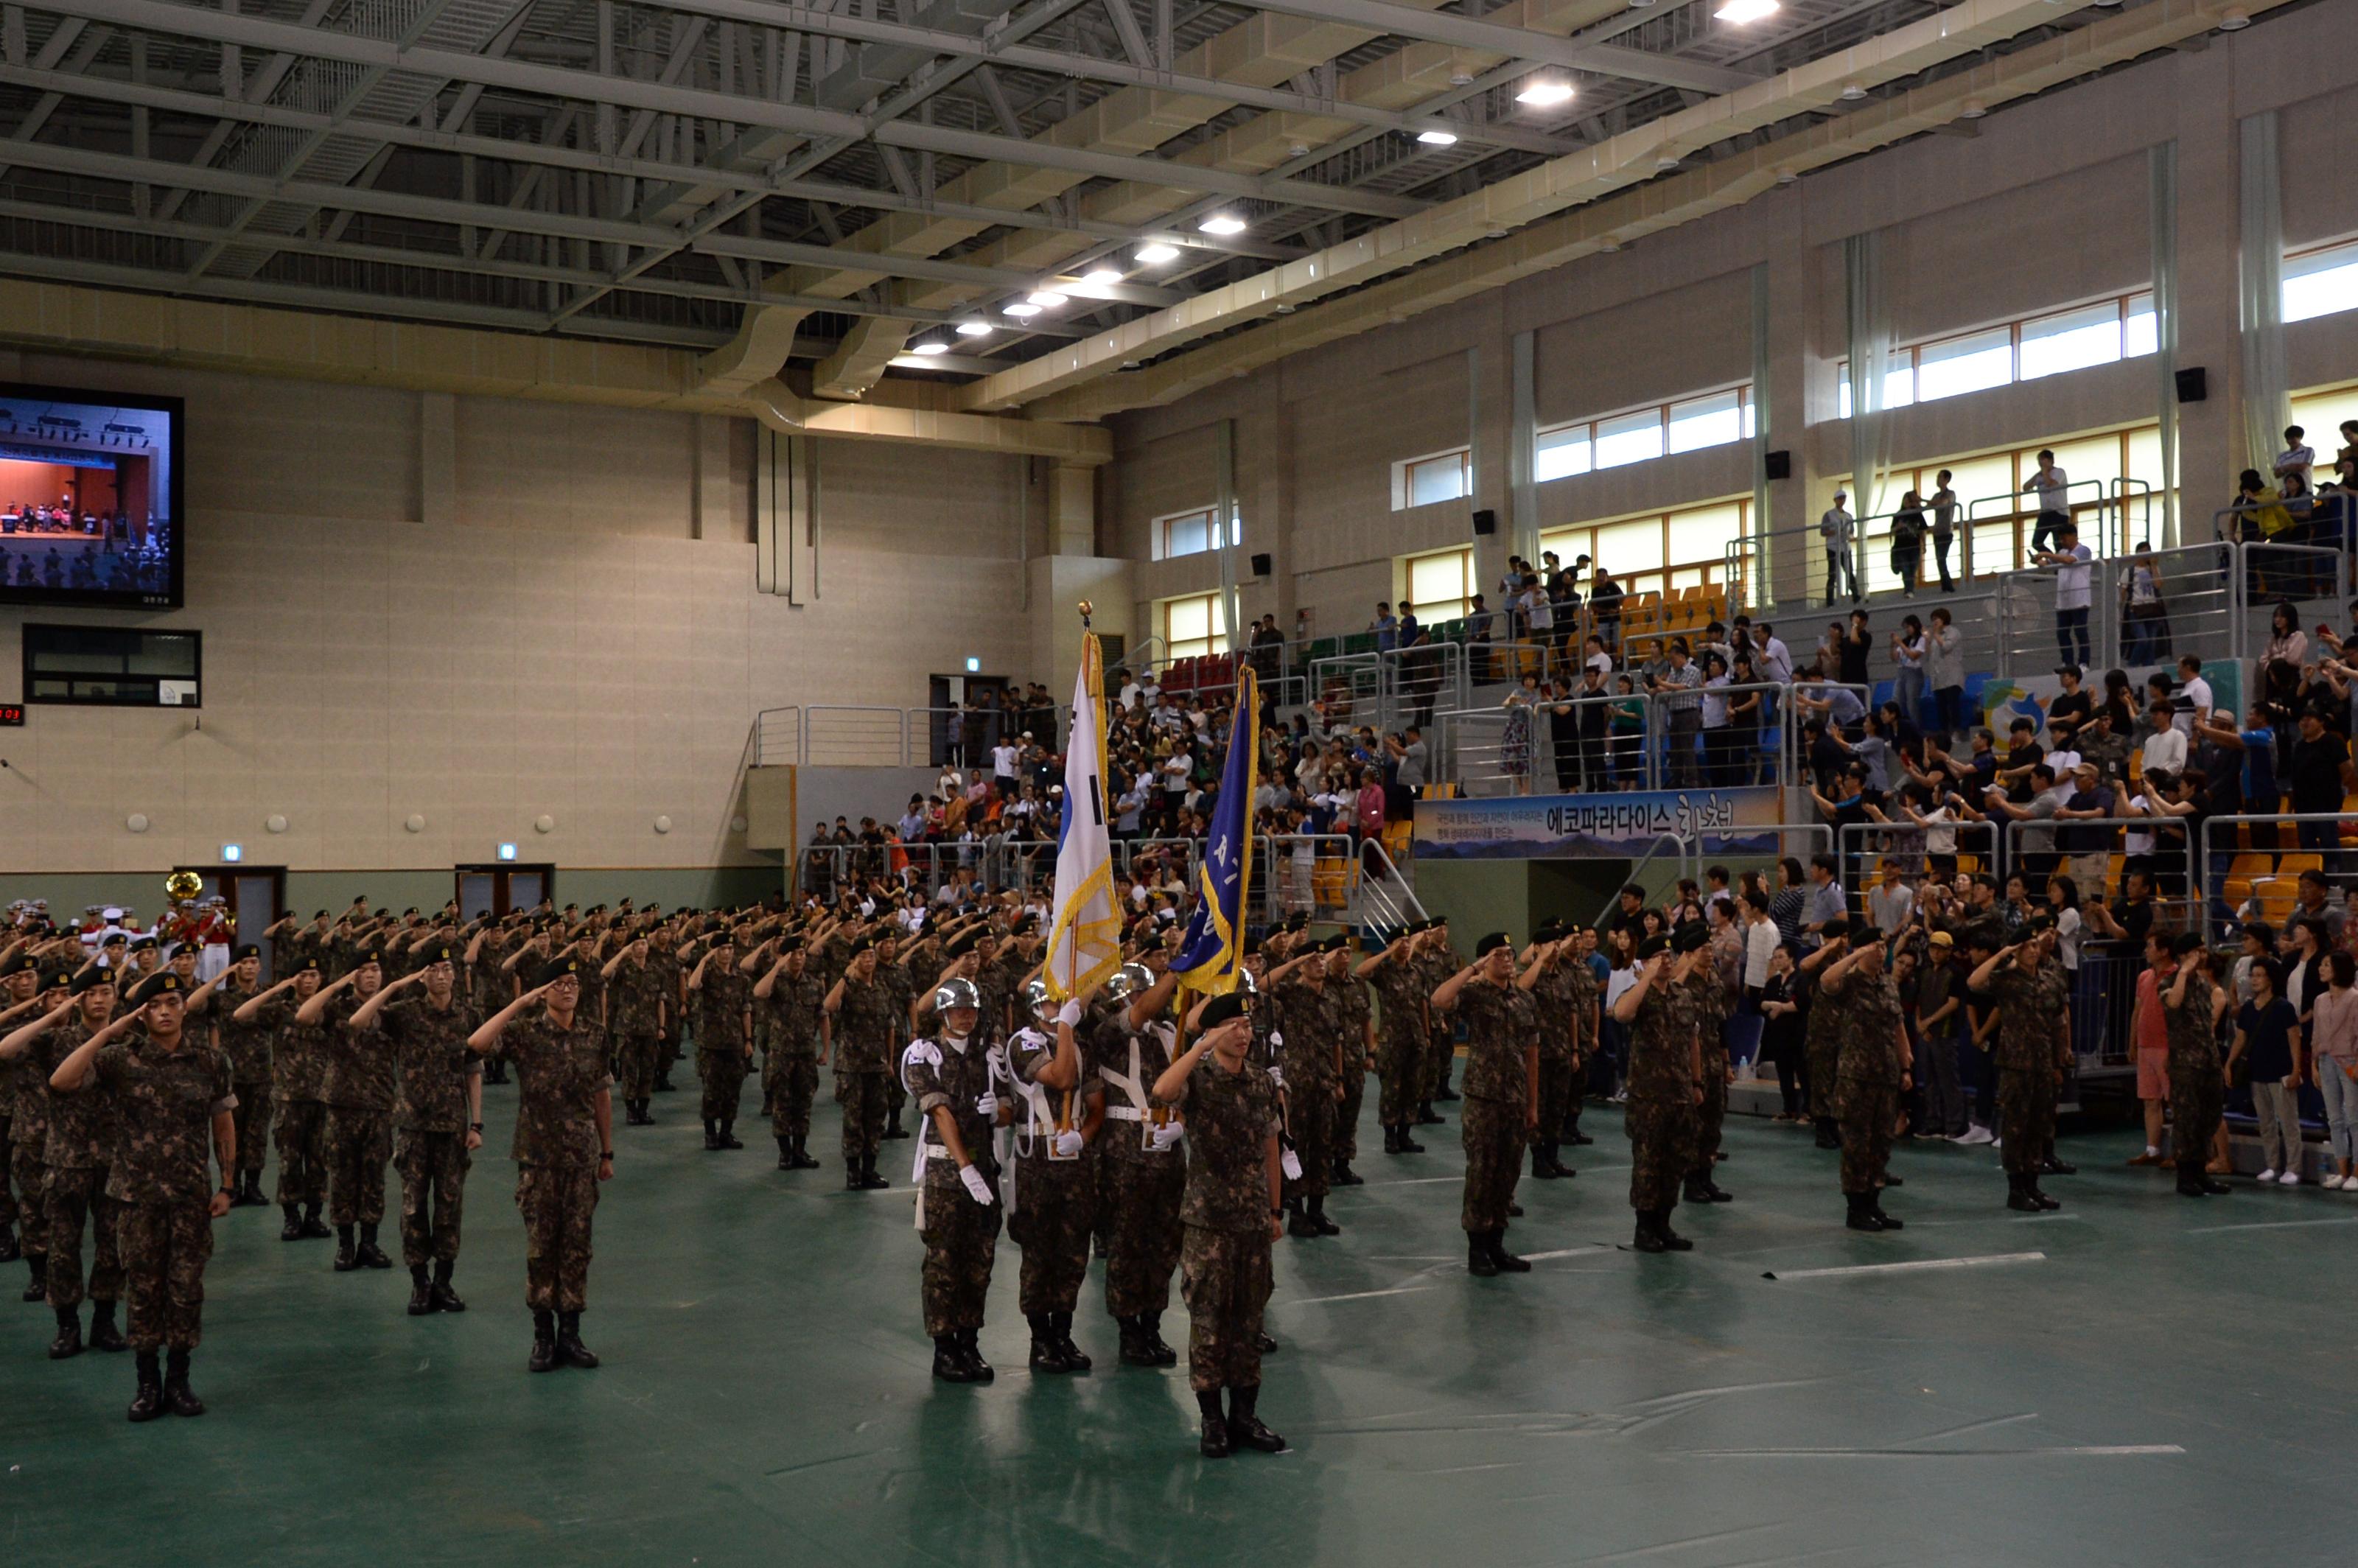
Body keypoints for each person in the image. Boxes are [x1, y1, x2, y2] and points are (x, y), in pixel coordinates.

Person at [44, 969, 234, 1422]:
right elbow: (62, 1081)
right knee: (144, 1292)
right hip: (135, 1198)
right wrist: (110, 1032)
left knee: (186, 1291)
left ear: (185, 1008)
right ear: (141, 1012)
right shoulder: (120, 1060)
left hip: (190, 1196)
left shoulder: (211, 1061)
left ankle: (180, 1381)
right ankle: (147, 1383)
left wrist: (228, 1184)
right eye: (153, 1006)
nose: (164, 1012)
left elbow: (223, 1122)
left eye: (172, 1003)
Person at [1150, 990, 1284, 1459]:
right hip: (1208, 1222)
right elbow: (1162, 1093)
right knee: (1209, 1322)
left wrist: (1274, 1210)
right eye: (1234, 1028)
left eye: (1248, 1027)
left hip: (1251, 1220)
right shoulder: (1200, 1079)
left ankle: (1244, 1416)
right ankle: (1212, 1420)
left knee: (1250, 1322)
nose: (1244, 1035)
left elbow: (1272, 1144)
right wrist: (1197, 1048)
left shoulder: (1261, 1083)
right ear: (1216, 1033)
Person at [467, 955, 615, 1373]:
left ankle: (571, 1333)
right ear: (543, 992)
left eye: (573, 983)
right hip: (538, 1158)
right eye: (558, 984)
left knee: (577, 1247)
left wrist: (607, 1152)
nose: (567, 989)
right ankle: (543, 1336)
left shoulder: (594, 1034)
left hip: (581, 1157)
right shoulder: (525, 1033)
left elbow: (602, 1095)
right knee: (540, 1248)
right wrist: (520, 1003)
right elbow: (476, 1045)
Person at [0, 967, 127, 1357]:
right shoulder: (57, 1040)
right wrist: (50, 1015)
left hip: (114, 1160)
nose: (99, 999)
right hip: (66, 1158)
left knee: (112, 1246)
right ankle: (67, 1325)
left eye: (106, 991)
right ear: (79, 1000)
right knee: (64, 1246)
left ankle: (104, 1322)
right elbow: (4, 1050)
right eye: (90, 993)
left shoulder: (127, 1041)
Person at [352, 943, 483, 1315]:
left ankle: (444, 1280)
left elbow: (473, 1071)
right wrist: (393, 988)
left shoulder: (467, 1016)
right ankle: (420, 1282)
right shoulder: (405, 1014)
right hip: (413, 1127)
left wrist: (477, 1123)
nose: (440, 976)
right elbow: (359, 1023)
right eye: (432, 970)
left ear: (455, 975)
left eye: (446, 969)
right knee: (413, 1207)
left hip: (453, 1127)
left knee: (449, 1206)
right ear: (421, 977)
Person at [898, 977, 1004, 1382]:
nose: (966, 1015)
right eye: (959, 1009)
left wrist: (1001, 1111)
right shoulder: (924, 1056)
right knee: (943, 1264)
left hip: (985, 1170)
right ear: (942, 1013)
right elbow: (939, 1113)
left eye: (972, 1009)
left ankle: (969, 1342)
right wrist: (965, 1168)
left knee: (980, 1262)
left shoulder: (988, 1055)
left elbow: (1008, 1106)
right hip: (947, 1175)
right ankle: (944, 1349)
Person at [1004, 981, 1102, 1373]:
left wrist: (1084, 1134)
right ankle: (1039, 1338)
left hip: (1073, 1156)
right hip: (1036, 1162)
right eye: (1050, 1000)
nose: (1058, 1005)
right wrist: (1065, 1028)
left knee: (1074, 1251)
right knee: (1039, 1252)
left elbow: (1096, 1105)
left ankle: (1063, 1332)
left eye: (1063, 1001)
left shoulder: (1081, 1045)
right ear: (1034, 1006)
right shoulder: (1023, 1042)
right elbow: (1061, 1079)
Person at [1430, 932, 1540, 1275]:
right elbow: (1439, 999)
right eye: (1498, 954)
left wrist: (1533, 1105)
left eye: (1510, 953)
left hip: (1515, 1099)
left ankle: (1497, 1245)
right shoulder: (1475, 995)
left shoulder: (1525, 1000)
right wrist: (1473, 968)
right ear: (1485, 961)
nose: (1507, 959)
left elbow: (1532, 1054)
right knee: (1481, 1174)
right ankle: (1477, 1249)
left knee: (1507, 1175)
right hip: (1483, 1099)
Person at [1970, 924, 2072, 1212]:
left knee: (2039, 1127)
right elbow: (1974, 982)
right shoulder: (2007, 980)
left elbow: (2058, 1021)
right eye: (2027, 946)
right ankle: (2016, 1189)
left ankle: (2033, 1184)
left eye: (2035, 946)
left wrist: (2059, 1059)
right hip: (2016, 1064)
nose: (2033, 950)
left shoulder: (2051, 980)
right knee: (2016, 1127)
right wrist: (2004, 952)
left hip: (2043, 1064)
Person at [1611, 931, 1701, 1252]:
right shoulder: (1638, 994)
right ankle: (1645, 1227)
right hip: (1648, 1097)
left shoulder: (1682, 995)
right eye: (1659, 958)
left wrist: (1697, 1082)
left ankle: (1664, 1224)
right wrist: (1646, 978)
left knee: (1674, 1163)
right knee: (1648, 1164)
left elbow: (1693, 1041)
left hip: (1679, 1094)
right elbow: (1622, 1014)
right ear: (1647, 962)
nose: (1667, 961)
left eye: (1669, 957)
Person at [1819, 923, 1909, 1231]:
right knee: (1857, 1144)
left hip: (1885, 1075)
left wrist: (1906, 1063)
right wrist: (1855, 954)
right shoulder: (1850, 983)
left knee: (1881, 1142)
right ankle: (1856, 1208)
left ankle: (1874, 1203)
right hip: (1856, 1078)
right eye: (1876, 947)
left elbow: (1898, 1024)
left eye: (1884, 947)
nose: (1881, 952)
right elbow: (1826, 980)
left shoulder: (1887, 984)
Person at [2225, 956, 2305, 1186]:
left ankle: (2294, 1167)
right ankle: (2272, 1165)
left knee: (2289, 1121)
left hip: (2280, 1071)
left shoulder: (2284, 1007)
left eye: (2260, 975)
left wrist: (2295, 1069)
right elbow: (2241, 1038)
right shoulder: (2249, 1008)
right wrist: (2229, 1063)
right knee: (2266, 1122)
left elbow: (2294, 1039)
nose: (2255, 980)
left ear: (2271, 979)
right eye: (2253, 976)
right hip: (2257, 1072)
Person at [752, 937, 826, 1169]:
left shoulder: (813, 984)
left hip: (805, 1051)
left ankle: (800, 1150)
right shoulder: (776, 981)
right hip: (781, 1052)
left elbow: (822, 1017)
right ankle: (785, 1153)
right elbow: (759, 992)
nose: (799, 958)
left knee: (804, 1102)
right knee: (781, 1103)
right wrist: (777, 966)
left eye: (802, 953)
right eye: (793, 954)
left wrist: (825, 1048)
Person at [688, 935, 754, 1152]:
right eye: (722, 949)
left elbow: (745, 1010)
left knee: (733, 1089)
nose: (727, 952)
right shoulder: (707, 975)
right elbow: (693, 984)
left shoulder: (741, 979)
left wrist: (748, 1039)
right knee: (712, 1090)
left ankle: (726, 1132)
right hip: (711, 1043)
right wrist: (705, 959)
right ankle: (710, 1133)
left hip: (734, 1042)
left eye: (730, 948)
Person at [2309, 950, 2358, 1191]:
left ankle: (2357, 1173)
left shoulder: (2355, 998)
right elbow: (2316, 1035)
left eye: (2326, 965)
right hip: (2326, 1061)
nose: (2321, 968)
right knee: (2335, 1119)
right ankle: (2342, 1171)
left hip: (2349, 1062)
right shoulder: (2319, 1000)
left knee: (2354, 1118)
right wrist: (2314, 1064)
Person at [2035, 522, 2094, 668]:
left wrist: (2047, 554)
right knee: (2062, 634)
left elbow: (2069, 561)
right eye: (2061, 539)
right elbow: (2047, 564)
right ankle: (2067, 663)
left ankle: (2084, 663)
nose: (2062, 542)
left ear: (2074, 536)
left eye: (2064, 538)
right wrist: (2037, 560)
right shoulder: (2061, 553)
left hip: (2079, 601)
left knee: (2081, 633)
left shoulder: (2084, 550)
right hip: (2063, 602)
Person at [2023, 449, 2071, 558]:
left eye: (2043, 460)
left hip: (2059, 512)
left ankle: (2059, 563)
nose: (2040, 463)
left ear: (2050, 461)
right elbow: (2026, 487)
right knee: (2037, 542)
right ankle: (2052, 558)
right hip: (2045, 513)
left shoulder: (2059, 472)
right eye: (2039, 461)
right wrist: (2038, 474)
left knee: (2058, 543)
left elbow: (2050, 484)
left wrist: (2045, 471)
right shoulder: (2039, 476)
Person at [1820, 489, 1858, 605]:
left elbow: (1852, 532)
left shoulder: (1849, 516)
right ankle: (1830, 600)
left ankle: (1856, 596)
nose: (1842, 501)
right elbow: (1823, 531)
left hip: (1845, 547)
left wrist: (1848, 536)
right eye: (1840, 498)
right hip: (1833, 547)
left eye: (1843, 498)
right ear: (1835, 500)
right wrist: (1835, 532)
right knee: (1832, 574)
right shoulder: (1829, 515)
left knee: (1849, 572)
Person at [1890, 489, 1927, 598]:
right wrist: (1898, 527)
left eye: (1908, 500)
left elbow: (1923, 530)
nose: (1906, 502)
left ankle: (1910, 590)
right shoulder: (1898, 515)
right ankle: (1908, 591)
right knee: (1905, 568)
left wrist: (1924, 544)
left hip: (1914, 546)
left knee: (1912, 568)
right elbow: (1891, 530)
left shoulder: (1917, 514)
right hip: (1901, 547)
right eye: (1905, 500)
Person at [1929, 468, 1960, 591]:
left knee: (1942, 559)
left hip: (1946, 531)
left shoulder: (1950, 493)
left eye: (1940, 477)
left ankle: (1948, 587)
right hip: (1937, 532)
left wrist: (1928, 501)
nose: (1938, 480)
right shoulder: (1936, 495)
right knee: (1939, 560)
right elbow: (1929, 505)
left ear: (1947, 479)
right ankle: (1946, 586)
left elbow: (1943, 503)